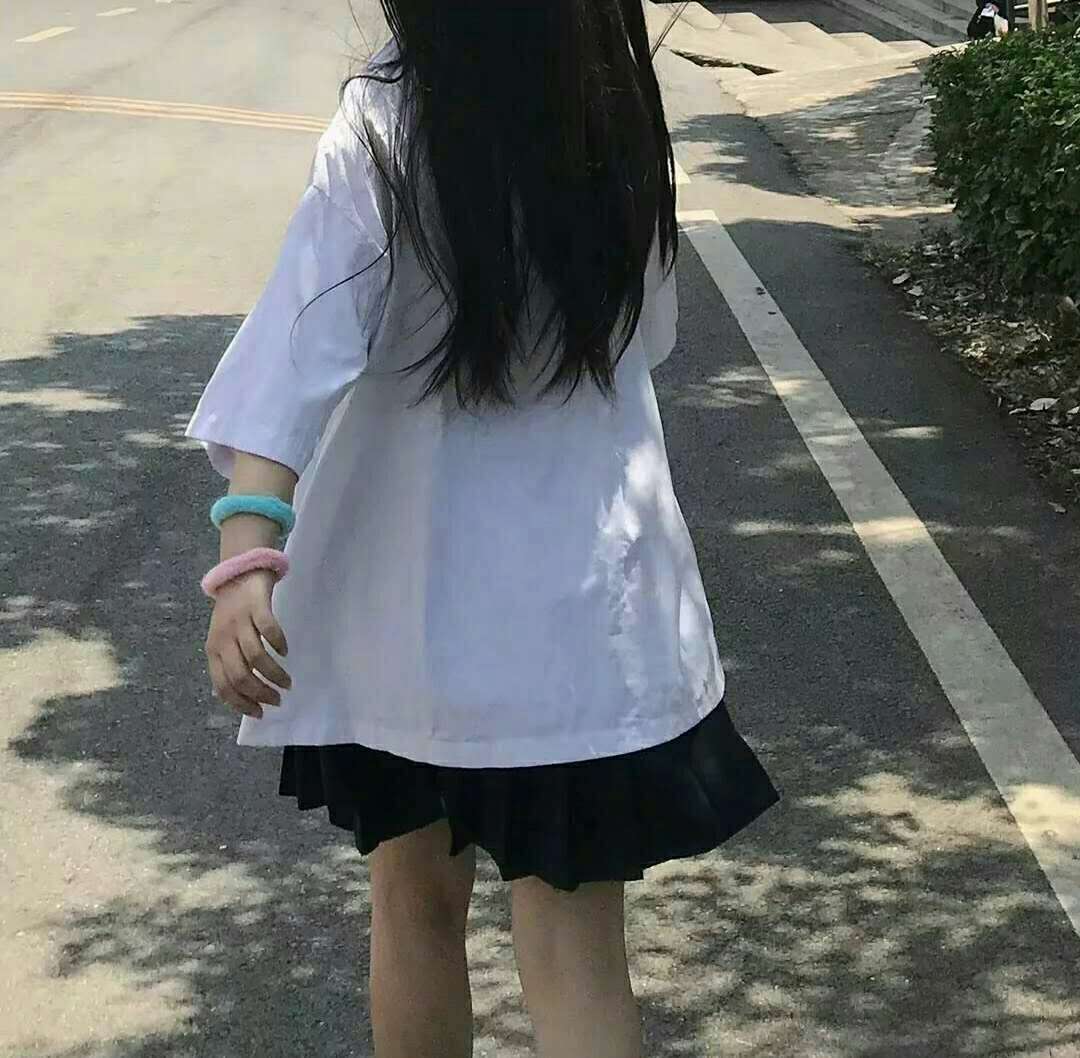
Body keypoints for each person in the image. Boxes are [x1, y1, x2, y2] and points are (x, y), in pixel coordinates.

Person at [186, 1, 779, 1054]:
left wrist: (246, 558)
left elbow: (296, 348)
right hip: (581, 621)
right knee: (579, 958)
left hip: (407, 624)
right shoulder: (617, 115)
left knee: (414, 908)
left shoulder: (385, 120)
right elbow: (650, 334)